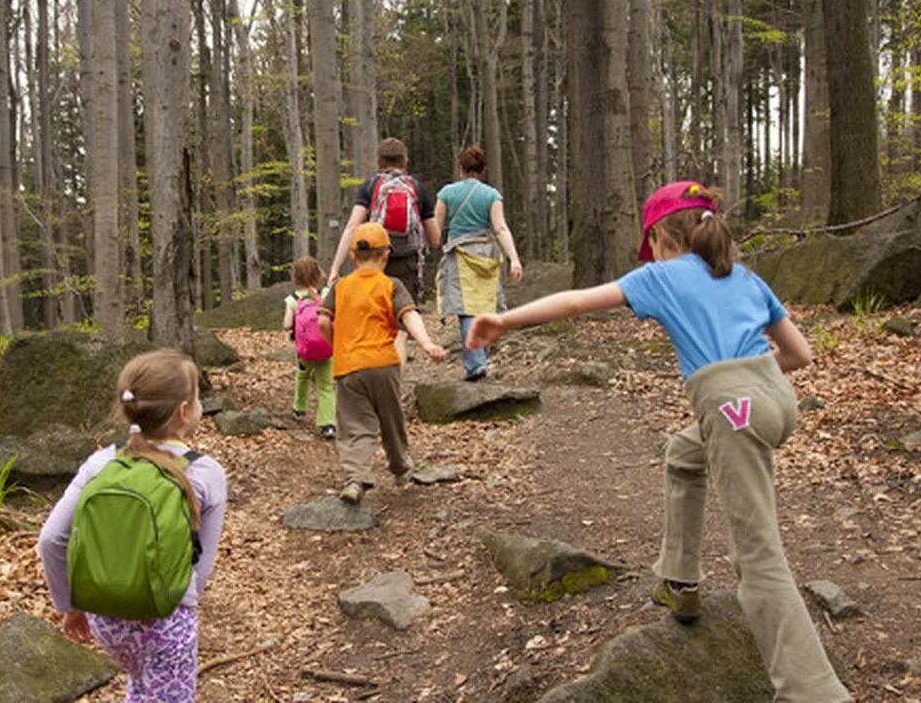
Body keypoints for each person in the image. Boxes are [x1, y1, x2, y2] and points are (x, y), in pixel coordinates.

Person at [467, 181, 850, 702]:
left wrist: (504, 320)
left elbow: (579, 302)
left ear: (662, 238)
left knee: (759, 558)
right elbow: (800, 354)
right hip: (776, 398)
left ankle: (815, 693)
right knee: (683, 453)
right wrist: (749, 380)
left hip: (734, 410)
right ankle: (681, 582)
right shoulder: (744, 276)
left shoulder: (661, 275)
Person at [38, 350, 227, 702]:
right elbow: (200, 570)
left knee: (140, 685)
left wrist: (71, 604)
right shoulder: (205, 473)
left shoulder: (101, 462)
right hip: (166, 620)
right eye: (198, 397)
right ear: (185, 412)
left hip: (106, 620)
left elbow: (51, 540)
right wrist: (172, 602)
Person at [319, 222, 447, 504]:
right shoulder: (391, 285)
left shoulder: (340, 287)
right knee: (391, 419)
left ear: (353, 256)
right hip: (384, 364)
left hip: (349, 367)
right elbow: (409, 315)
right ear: (386, 255)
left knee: (354, 426)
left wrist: (335, 346)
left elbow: (323, 320)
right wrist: (425, 343)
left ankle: (356, 479)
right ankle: (401, 469)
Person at [328, 137, 440, 366]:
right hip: (407, 262)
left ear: (379, 161)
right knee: (400, 328)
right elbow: (435, 239)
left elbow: (352, 226)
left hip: (373, 260)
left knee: (371, 318)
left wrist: (335, 269)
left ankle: (367, 368)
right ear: (405, 161)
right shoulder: (418, 188)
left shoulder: (370, 186)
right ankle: (394, 383)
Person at [430, 145, 524, 381]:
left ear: (461, 168)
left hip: (460, 255)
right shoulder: (492, 195)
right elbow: (500, 228)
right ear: (482, 170)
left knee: (466, 310)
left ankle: (475, 365)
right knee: (486, 306)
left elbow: (435, 229)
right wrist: (514, 258)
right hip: (487, 254)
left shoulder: (447, 193)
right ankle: (481, 358)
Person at [283, 257, 337, 438]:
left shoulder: (293, 299)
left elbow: (286, 324)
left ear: (295, 278)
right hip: (327, 348)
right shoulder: (326, 293)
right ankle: (328, 423)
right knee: (326, 386)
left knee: (302, 377)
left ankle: (299, 408)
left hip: (305, 352)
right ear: (318, 275)